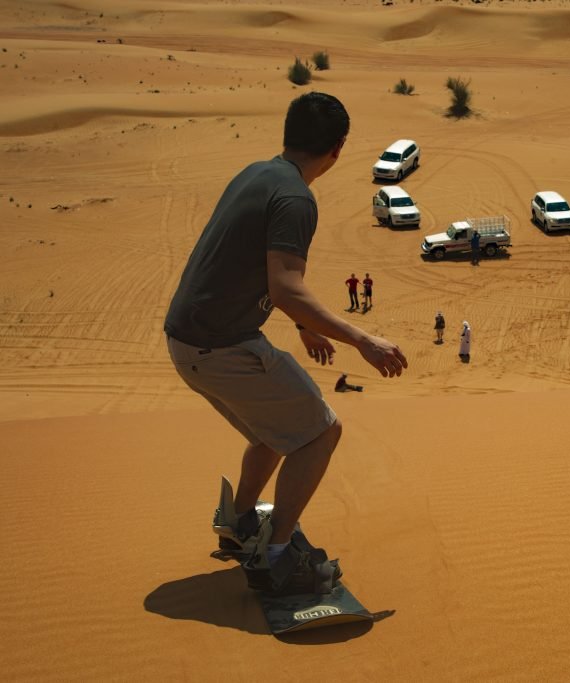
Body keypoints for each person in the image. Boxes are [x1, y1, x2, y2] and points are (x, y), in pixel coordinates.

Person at [164, 91, 408, 596]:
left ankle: (239, 522)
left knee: (277, 428)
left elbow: (243, 263)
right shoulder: (297, 198)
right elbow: (286, 287)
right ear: (338, 149)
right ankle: (277, 557)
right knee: (319, 431)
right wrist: (364, 340)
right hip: (221, 346)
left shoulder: (257, 172)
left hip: (190, 340)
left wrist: (301, 324)